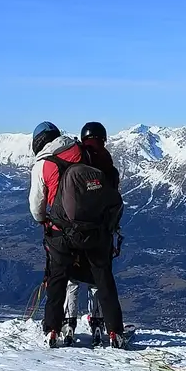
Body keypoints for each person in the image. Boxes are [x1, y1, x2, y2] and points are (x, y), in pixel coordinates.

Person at [28, 120, 127, 349]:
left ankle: (52, 329)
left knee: (58, 279)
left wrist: (45, 220)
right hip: (96, 231)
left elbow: (36, 208)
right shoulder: (82, 151)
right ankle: (115, 332)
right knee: (104, 280)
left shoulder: (43, 163)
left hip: (61, 232)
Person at [62, 122, 123, 344]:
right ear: (103, 139)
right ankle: (97, 321)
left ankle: (68, 321)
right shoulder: (108, 167)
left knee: (72, 278)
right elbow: (114, 199)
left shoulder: (74, 164)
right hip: (101, 233)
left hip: (73, 232)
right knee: (99, 279)